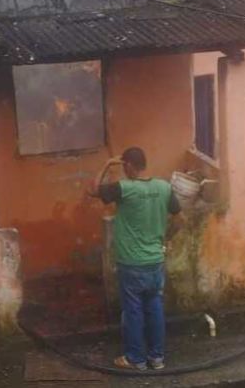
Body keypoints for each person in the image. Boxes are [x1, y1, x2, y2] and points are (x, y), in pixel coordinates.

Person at [89, 147, 182, 371]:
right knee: (155, 308)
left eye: (123, 166)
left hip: (132, 263)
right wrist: (164, 240)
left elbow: (92, 190)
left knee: (133, 311)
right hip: (155, 261)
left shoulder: (124, 189)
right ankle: (157, 358)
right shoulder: (164, 187)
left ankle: (136, 359)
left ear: (128, 165)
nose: (122, 170)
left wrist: (107, 165)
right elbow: (179, 219)